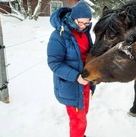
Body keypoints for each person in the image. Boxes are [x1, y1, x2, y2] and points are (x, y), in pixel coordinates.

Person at [47, 1, 95, 137]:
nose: (83, 26)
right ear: (73, 18)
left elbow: (88, 52)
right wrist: (76, 76)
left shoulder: (85, 32)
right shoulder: (58, 35)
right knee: (78, 119)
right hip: (71, 84)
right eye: (80, 22)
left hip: (85, 82)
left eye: (87, 23)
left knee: (83, 113)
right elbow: (54, 63)